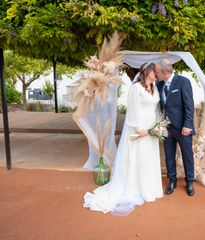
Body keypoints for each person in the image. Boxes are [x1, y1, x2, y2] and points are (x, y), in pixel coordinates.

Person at [83, 62, 163, 215]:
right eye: (155, 72)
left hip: (151, 130)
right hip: (139, 130)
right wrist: (139, 128)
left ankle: (149, 188)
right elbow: (132, 109)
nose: (157, 74)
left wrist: (158, 126)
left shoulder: (155, 88)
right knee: (137, 158)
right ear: (147, 72)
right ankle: (136, 187)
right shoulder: (136, 89)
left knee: (148, 158)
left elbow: (156, 109)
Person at [155, 59, 195, 196]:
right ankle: (172, 180)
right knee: (169, 155)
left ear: (164, 72)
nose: (156, 74)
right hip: (167, 127)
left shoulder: (183, 82)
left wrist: (188, 125)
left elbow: (189, 106)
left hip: (182, 128)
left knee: (187, 155)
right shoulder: (159, 85)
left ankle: (190, 181)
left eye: (157, 72)